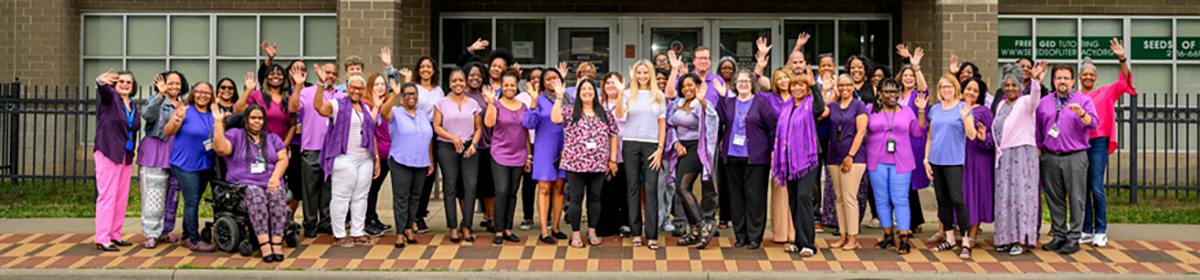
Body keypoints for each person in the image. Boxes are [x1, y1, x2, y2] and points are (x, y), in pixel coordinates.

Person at [212, 104, 289, 262]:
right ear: (246, 120)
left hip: (269, 182)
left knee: (278, 195)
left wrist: (275, 177)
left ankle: (277, 243)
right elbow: (221, 149)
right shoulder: (235, 134)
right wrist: (218, 123)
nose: (257, 121)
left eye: (260, 118)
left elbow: (283, 158)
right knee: (256, 195)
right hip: (243, 184)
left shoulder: (272, 138)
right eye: (253, 118)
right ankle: (264, 244)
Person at [1037, 63, 1099, 255]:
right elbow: (1038, 129)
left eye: (1066, 78)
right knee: (1054, 198)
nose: (1062, 81)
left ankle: (1074, 238)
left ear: (1073, 81)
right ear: (1053, 80)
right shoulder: (1044, 102)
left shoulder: (1083, 100)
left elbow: (1094, 123)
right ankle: (1059, 235)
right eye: (1058, 78)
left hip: (1075, 157)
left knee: (1077, 198)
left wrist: (1081, 113)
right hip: (1049, 156)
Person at [313, 74, 381, 247]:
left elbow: (370, 129)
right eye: (353, 87)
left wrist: (376, 158)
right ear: (347, 88)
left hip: (364, 158)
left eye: (360, 88)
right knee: (341, 197)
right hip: (345, 158)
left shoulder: (364, 108)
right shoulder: (338, 104)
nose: (357, 91)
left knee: (361, 197)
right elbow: (319, 107)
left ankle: (358, 232)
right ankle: (339, 234)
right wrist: (321, 84)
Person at [551, 78, 620, 248]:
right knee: (576, 198)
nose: (587, 92)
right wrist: (559, 97)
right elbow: (555, 119)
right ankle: (575, 235)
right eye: (584, 89)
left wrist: (612, 159)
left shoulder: (604, 111)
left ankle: (592, 232)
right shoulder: (569, 110)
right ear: (578, 93)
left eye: (590, 89)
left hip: (598, 163)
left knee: (595, 197)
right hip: (575, 162)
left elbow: (613, 134)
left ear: (595, 92)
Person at [1079, 38, 1135, 248]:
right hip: (1078, 143)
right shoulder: (1074, 96)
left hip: (1098, 142)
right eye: (1085, 74)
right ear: (1079, 76)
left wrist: (1122, 58)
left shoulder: (1106, 92)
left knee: (1096, 186)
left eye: (1091, 74)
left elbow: (1126, 82)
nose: (1088, 77)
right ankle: (1086, 229)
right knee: (1082, 188)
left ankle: (1100, 230)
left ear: (1095, 77)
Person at [716, 69, 777, 250]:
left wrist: (773, 152)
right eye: (739, 81)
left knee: (755, 198)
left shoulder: (761, 102)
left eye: (746, 81)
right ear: (734, 84)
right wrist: (720, 97)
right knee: (736, 198)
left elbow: (772, 128)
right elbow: (718, 119)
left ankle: (754, 237)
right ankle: (740, 236)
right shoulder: (728, 102)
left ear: (752, 84)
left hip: (757, 158)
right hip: (732, 157)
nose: (743, 84)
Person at [865, 77, 927, 255]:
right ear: (880, 93)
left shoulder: (907, 111)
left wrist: (921, 111)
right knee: (881, 199)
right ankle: (887, 236)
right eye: (888, 91)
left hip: (902, 162)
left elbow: (918, 132)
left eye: (895, 91)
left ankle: (904, 238)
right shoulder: (870, 110)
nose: (892, 95)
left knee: (900, 199)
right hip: (876, 162)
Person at [992, 62, 1047, 256]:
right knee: (1005, 198)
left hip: (1022, 156)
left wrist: (1035, 80)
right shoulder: (1000, 105)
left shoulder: (1025, 102)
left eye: (1014, 85)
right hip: (1004, 158)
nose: (1010, 89)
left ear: (1020, 86)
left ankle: (1022, 240)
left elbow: (1034, 98)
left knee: (1022, 198)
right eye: (1007, 85)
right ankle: (1006, 238)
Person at [235, 64, 299, 226]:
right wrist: (248, 90)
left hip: (280, 149)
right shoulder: (257, 95)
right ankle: (258, 220)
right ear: (266, 77)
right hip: (258, 146)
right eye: (271, 73)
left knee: (278, 183)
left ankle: (277, 221)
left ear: (285, 78)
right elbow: (238, 110)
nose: (275, 76)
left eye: (279, 73)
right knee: (260, 182)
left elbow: (292, 124)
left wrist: (284, 144)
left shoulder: (288, 99)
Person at [923, 73, 979, 258]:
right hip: (935, 161)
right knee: (942, 201)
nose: (946, 90)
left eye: (950, 86)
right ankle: (949, 238)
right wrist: (926, 159)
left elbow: (971, 136)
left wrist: (964, 117)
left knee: (957, 201)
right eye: (943, 87)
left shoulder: (964, 107)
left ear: (956, 89)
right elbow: (930, 136)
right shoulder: (935, 110)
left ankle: (965, 242)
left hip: (953, 161)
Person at [773, 74, 826, 257]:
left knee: (804, 197)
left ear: (807, 87)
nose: (797, 88)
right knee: (794, 199)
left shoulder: (811, 104)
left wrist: (813, 85)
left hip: (807, 158)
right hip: (789, 160)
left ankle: (809, 244)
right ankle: (798, 241)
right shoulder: (787, 106)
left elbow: (821, 108)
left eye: (801, 85)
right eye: (794, 85)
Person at [288, 63, 343, 238]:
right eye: (327, 72)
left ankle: (325, 222)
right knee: (310, 188)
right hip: (312, 147)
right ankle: (310, 222)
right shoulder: (307, 92)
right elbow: (293, 107)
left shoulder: (341, 96)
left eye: (334, 73)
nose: (330, 76)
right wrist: (298, 85)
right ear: (319, 72)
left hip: (332, 149)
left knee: (328, 188)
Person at [164, 81, 219, 252]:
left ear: (212, 95)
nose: (203, 95)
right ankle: (194, 240)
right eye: (199, 91)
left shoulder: (213, 113)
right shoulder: (185, 110)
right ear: (193, 93)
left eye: (207, 92)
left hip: (205, 163)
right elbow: (168, 131)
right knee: (192, 200)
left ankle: (186, 236)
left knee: (192, 201)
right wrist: (177, 117)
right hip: (185, 163)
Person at [667, 72, 720, 249]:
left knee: (683, 187)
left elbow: (712, 120)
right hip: (682, 149)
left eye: (690, 85)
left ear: (697, 86)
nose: (687, 89)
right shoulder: (678, 104)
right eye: (683, 86)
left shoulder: (702, 104)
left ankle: (703, 225)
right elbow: (671, 125)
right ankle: (697, 229)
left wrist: (703, 101)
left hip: (697, 149)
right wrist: (675, 143)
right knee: (682, 190)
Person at [379, 81, 435, 248]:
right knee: (401, 198)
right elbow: (383, 112)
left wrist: (430, 159)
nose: (411, 97)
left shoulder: (423, 115)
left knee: (415, 198)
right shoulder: (396, 112)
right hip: (401, 161)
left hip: (421, 162)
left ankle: (409, 228)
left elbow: (429, 138)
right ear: (402, 97)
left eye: (414, 93)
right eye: (407, 94)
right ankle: (400, 233)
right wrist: (394, 94)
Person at [621, 59, 668, 249]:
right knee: (632, 188)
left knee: (651, 189)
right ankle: (635, 233)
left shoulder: (659, 95)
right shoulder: (627, 94)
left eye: (645, 73)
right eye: (638, 73)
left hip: (652, 146)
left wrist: (660, 149)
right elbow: (619, 115)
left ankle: (652, 234)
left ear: (651, 74)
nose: (642, 76)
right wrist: (624, 88)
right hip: (630, 143)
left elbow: (662, 124)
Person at [92, 69, 141, 252]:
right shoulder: (110, 98)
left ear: (133, 86)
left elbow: (133, 126)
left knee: (121, 197)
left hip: (125, 155)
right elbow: (103, 91)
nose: (125, 84)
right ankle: (102, 237)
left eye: (129, 82)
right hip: (108, 151)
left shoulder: (133, 106)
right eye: (121, 81)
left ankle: (115, 234)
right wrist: (100, 81)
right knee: (107, 196)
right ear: (115, 84)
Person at [433, 68, 484, 243]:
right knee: (450, 186)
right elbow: (437, 126)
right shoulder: (442, 103)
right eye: (454, 81)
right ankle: (453, 227)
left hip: (469, 147)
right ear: (449, 84)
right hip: (447, 146)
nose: (458, 84)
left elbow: (478, 128)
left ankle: (467, 226)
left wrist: (474, 144)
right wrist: (453, 138)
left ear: (465, 83)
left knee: (470, 186)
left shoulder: (473, 104)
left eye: (461, 80)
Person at [138, 71, 187, 249]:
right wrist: (160, 95)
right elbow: (147, 116)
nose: (174, 87)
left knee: (172, 195)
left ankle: (165, 231)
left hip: (176, 154)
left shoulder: (183, 104)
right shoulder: (155, 100)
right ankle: (151, 233)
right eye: (170, 83)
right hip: (155, 151)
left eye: (178, 83)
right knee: (153, 194)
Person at [523, 68, 571, 244]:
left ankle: (556, 227)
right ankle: (544, 230)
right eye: (548, 78)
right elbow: (529, 123)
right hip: (544, 148)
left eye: (555, 78)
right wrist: (533, 101)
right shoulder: (539, 99)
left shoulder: (568, 98)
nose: (552, 81)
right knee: (544, 188)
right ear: (543, 83)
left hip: (564, 146)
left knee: (559, 187)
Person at [484, 72, 530, 244]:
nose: (509, 88)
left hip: (519, 155)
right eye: (506, 85)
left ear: (516, 86)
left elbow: (525, 132)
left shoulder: (523, 106)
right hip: (500, 154)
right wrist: (490, 103)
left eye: (512, 85)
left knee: (512, 193)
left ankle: (507, 229)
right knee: (501, 191)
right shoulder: (496, 104)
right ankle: (498, 229)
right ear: (501, 87)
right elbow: (489, 124)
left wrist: (529, 155)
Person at [826, 73, 868, 251]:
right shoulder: (833, 106)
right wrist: (828, 91)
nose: (844, 88)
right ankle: (842, 235)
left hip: (853, 157)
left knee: (850, 197)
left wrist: (850, 155)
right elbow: (819, 111)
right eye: (841, 85)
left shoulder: (859, 105)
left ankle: (853, 237)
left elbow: (861, 132)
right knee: (839, 197)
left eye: (847, 85)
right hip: (834, 155)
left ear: (853, 87)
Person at [961, 77, 996, 257]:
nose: (971, 93)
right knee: (961, 195)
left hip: (978, 157)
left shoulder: (984, 112)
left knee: (974, 194)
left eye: (975, 91)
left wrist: (984, 138)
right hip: (959, 157)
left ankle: (973, 234)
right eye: (968, 89)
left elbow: (993, 138)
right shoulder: (955, 108)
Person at [464, 61, 498, 231]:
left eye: (478, 75)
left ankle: (491, 218)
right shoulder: (458, 95)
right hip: (464, 146)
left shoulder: (487, 94)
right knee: (465, 185)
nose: (475, 78)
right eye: (471, 75)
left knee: (488, 183)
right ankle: (466, 220)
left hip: (486, 145)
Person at [598, 71, 629, 237]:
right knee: (605, 191)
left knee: (623, 191)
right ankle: (605, 225)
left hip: (625, 154)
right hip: (603, 155)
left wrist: (622, 96)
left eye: (615, 82)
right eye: (608, 82)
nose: (611, 85)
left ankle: (624, 224)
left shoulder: (628, 102)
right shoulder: (598, 105)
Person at [365, 73, 395, 237]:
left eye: (382, 84)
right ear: (370, 87)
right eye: (376, 84)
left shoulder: (386, 104)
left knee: (375, 188)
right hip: (374, 154)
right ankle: (367, 221)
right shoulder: (366, 104)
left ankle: (373, 217)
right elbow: (369, 127)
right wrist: (376, 157)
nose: (380, 87)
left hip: (387, 153)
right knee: (370, 188)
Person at [518, 67, 544, 231]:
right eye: (533, 77)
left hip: (544, 144)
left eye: (539, 77)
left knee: (545, 181)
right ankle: (528, 217)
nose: (536, 80)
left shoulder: (549, 96)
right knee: (528, 183)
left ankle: (546, 218)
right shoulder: (521, 97)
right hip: (526, 144)